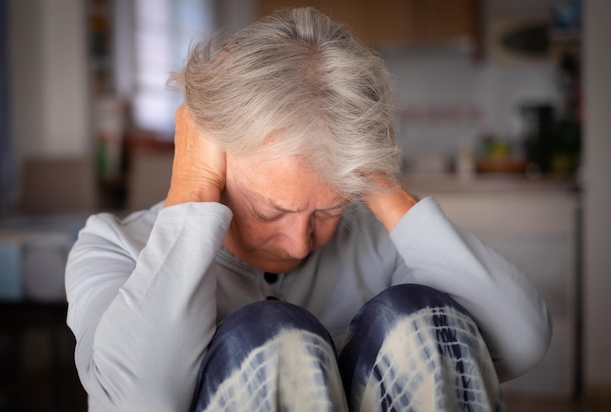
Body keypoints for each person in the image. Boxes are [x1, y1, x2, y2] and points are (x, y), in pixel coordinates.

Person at [65, 7, 551, 412]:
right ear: (214, 152)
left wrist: (377, 181)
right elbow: (135, 401)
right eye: (273, 210)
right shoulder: (114, 247)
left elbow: (523, 339)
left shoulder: (377, 246)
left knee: (422, 313)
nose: (301, 241)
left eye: (328, 209)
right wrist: (192, 188)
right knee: (270, 335)